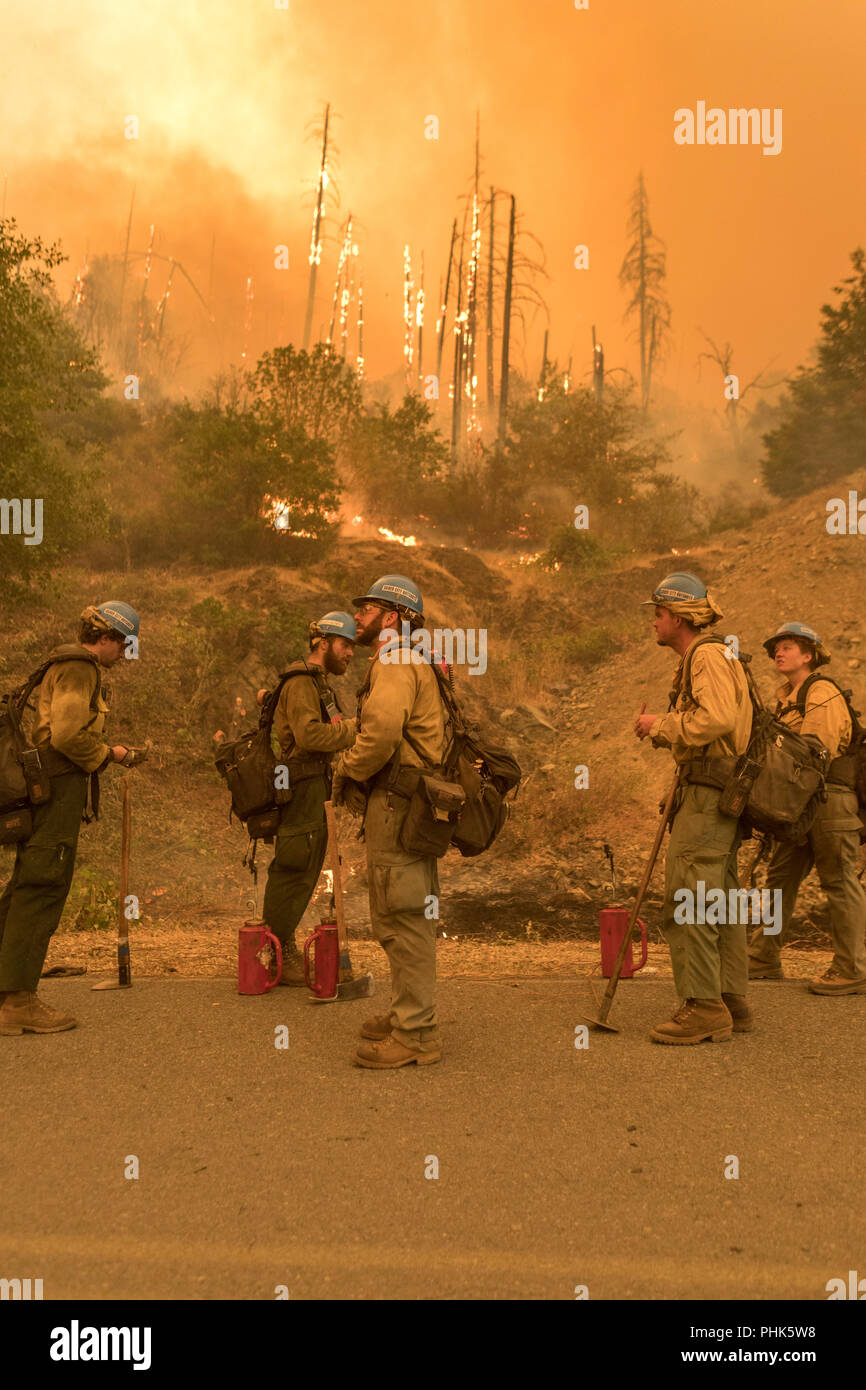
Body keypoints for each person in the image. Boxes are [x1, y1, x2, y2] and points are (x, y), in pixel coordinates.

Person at [0, 602, 145, 1035]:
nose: (124, 654)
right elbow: (65, 735)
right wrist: (108, 755)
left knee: (27, 883)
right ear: (108, 638)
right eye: (124, 645)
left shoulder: (64, 663)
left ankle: (7, 991)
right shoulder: (81, 668)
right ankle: (18, 1000)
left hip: (50, 786)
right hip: (57, 789)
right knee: (41, 886)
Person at [333, 575, 447, 1068]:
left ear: (392, 618)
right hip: (408, 803)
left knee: (402, 915)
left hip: (399, 804)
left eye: (368, 608)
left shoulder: (396, 658)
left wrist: (346, 769)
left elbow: (380, 735)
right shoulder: (408, 658)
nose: (357, 616)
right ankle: (408, 1014)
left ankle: (416, 1033)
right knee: (400, 913)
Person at [634, 573, 753, 1043]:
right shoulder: (716, 654)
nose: (654, 623)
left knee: (689, 897)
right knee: (719, 896)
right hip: (716, 791)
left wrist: (659, 724)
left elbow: (717, 718)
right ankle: (730, 999)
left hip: (708, 794)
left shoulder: (704, 655)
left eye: (659, 614)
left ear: (680, 617)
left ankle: (704, 1006)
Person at [748, 622, 866, 994]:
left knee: (839, 883)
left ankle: (851, 968)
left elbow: (816, 752)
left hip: (829, 799)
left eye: (788, 646)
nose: (778, 653)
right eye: (776, 648)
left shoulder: (822, 690)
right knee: (779, 880)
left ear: (809, 654)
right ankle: (764, 956)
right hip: (798, 804)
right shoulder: (786, 700)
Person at [262, 611, 357, 985]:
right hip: (300, 783)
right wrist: (356, 729)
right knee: (294, 866)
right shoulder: (302, 681)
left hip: (314, 783)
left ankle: (278, 945)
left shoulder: (319, 683)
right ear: (323, 643)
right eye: (344, 644)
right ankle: (272, 951)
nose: (350, 653)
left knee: (306, 868)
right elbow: (310, 737)